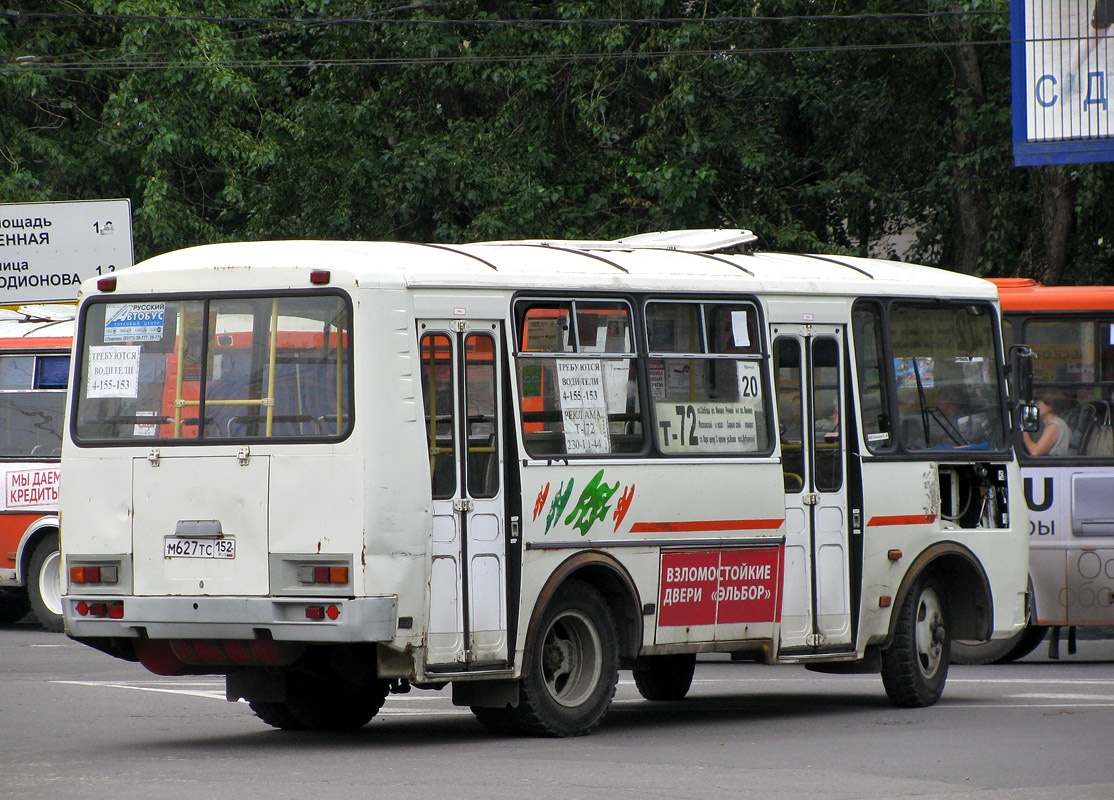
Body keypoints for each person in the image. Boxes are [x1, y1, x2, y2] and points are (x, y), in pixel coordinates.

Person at [1023, 392, 1072, 457]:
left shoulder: (1055, 426)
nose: (1035, 407)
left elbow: (1035, 451)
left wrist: (1022, 430)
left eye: (1038, 404)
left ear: (1049, 407)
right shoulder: (1051, 425)